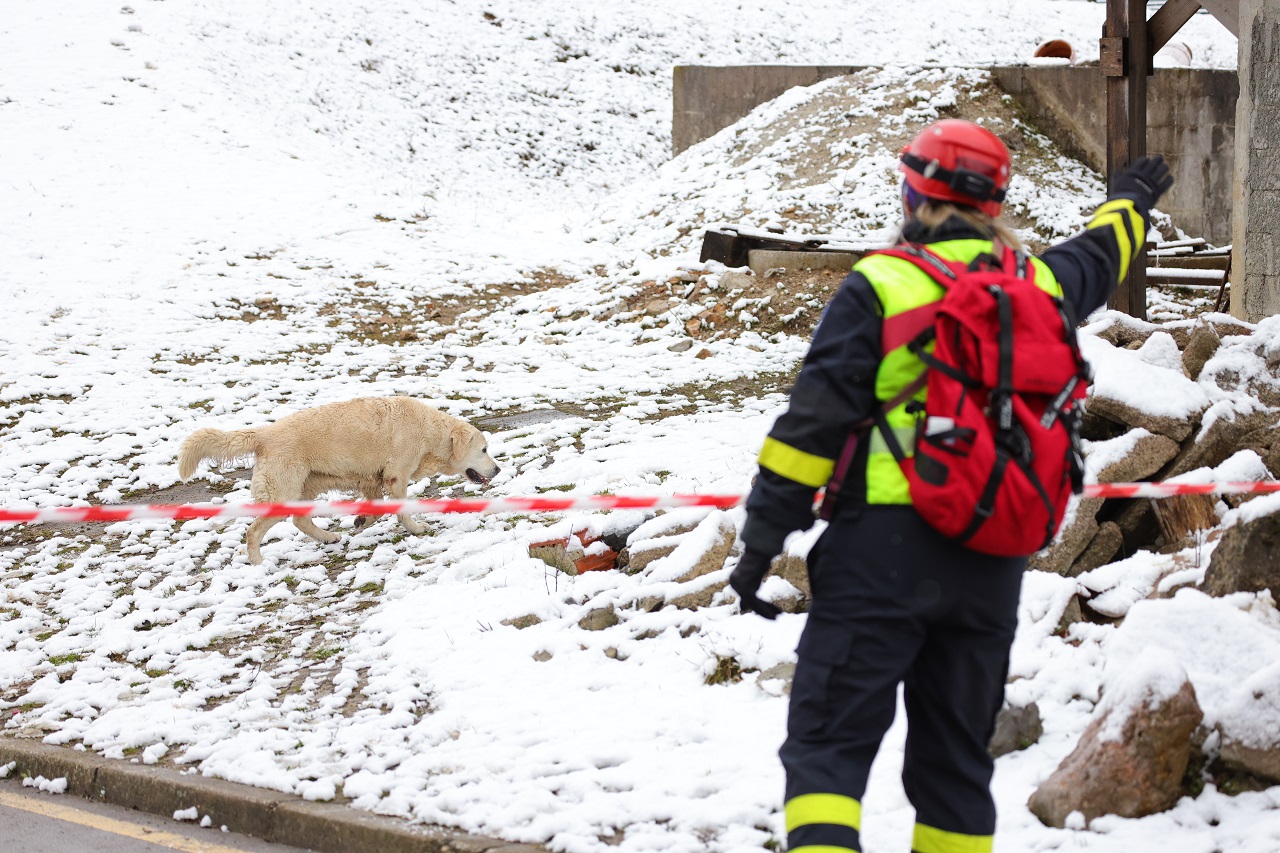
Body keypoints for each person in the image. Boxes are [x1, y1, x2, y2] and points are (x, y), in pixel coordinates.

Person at [729, 118, 1173, 853]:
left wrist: (759, 545)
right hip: (990, 562)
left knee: (828, 751)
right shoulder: (1038, 284)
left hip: (881, 551)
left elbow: (809, 428)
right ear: (995, 202)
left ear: (913, 194)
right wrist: (1130, 201)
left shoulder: (883, 283)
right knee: (956, 769)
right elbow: (1100, 253)